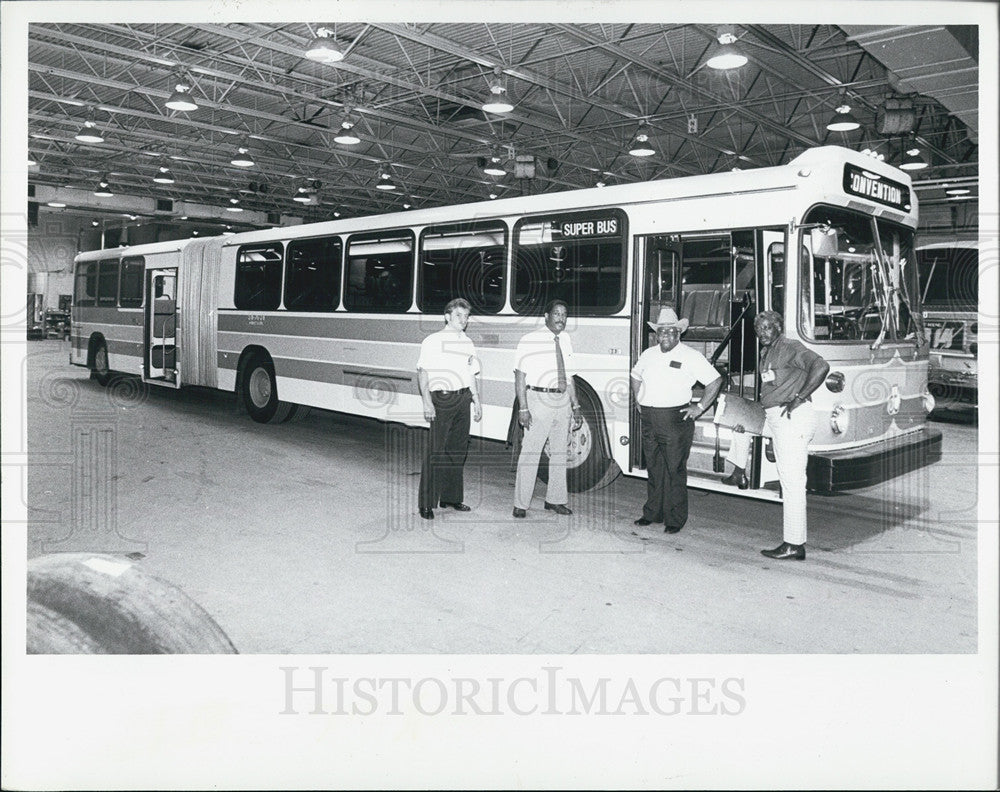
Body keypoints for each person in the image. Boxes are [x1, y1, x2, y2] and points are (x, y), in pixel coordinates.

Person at [724, 310, 830, 560]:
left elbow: (821, 366)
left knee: (792, 481)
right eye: (758, 328)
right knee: (740, 424)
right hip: (774, 416)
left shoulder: (790, 346)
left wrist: (799, 398)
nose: (762, 332)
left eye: (767, 328)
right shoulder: (767, 351)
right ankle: (738, 471)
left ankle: (794, 544)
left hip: (792, 418)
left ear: (779, 327)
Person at [630, 306, 724, 533]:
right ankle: (652, 513)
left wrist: (699, 408)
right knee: (654, 467)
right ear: (657, 333)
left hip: (675, 419)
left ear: (678, 334)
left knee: (674, 469)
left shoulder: (691, 356)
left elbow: (715, 381)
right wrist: (638, 400)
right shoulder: (648, 354)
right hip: (650, 417)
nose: (666, 335)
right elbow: (635, 375)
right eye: (662, 331)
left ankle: (675, 519)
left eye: (671, 332)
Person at [512, 299, 583, 518]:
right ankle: (520, 504)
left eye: (564, 314)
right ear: (546, 316)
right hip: (538, 399)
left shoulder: (566, 340)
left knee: (560, 452)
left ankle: (555, 500)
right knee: (531, 453)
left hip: (562, 401)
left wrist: (576, 405)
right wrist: (523, 408)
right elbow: (519, 375)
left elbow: (569, 376)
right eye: (557, 314)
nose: (561, 318)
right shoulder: (530, 340)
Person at [416, 298, 482, 519]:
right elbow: (423, 373)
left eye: (466, 316)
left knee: (457, 451)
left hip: (463, 399)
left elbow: (471, 373)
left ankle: (451, 498)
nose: (463, 320)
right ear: (447, 316)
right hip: (442, 399)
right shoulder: (432, 341)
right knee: (436, 450)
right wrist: (427, 402)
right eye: (458, 316)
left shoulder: (468, 342)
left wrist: (476, 399)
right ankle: (426, 503)